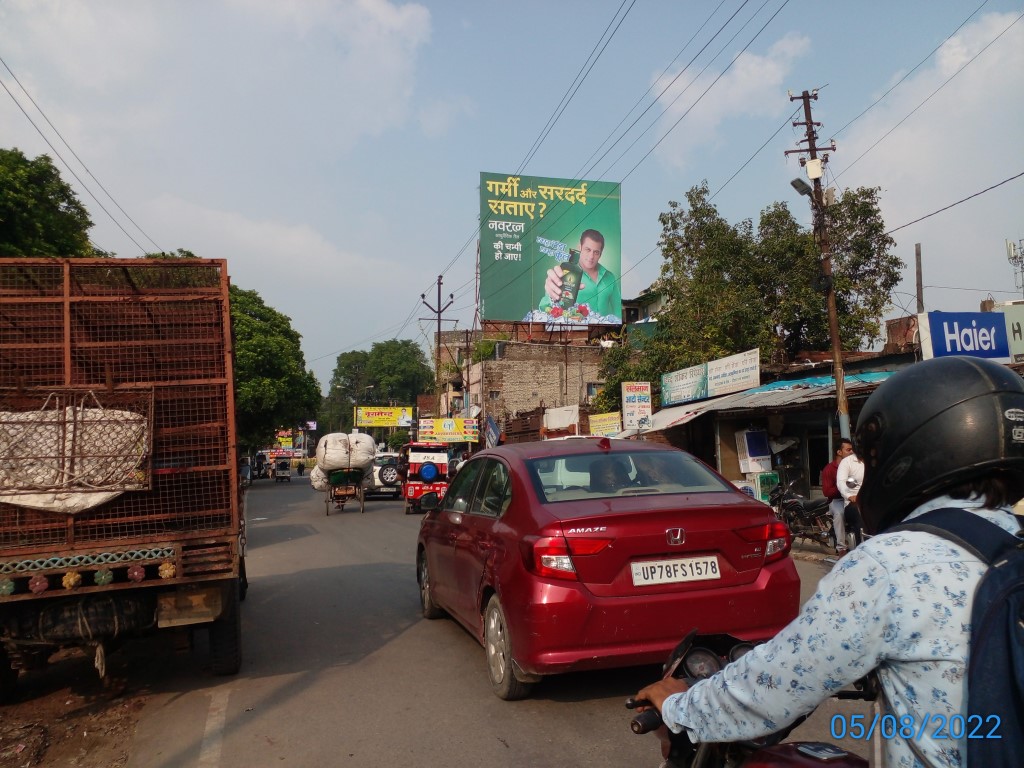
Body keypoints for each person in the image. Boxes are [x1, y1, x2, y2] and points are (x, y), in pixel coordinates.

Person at [634, 356, 1024, 768]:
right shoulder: (1011, 541)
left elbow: (774, 687)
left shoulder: (892, 565)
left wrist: (681, 707)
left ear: (910, 454)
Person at [538, 229, 621, 320]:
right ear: (579, 248)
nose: (591, 256)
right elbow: (544, 308)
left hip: (603, 332)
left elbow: (618, 311)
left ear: (600, 254)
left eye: (596, 252)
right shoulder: (564, 273)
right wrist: (552, 297)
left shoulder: (610, 277)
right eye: (587, 250)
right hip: (573, 331)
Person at [820, 438, 854, 554]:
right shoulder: (829, 469)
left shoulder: (854, 466)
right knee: (839, 513)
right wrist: (842, 486)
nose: (851, 452)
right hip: (837, 500)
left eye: (852, 450)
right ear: (839, 452)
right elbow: (827, 492)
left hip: (854, 498)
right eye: (848, 450)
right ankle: (841, 548)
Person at [837, 446, 865, 549]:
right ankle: (860, 549)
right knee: (860, 518)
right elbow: (841, 482)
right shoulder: (847, 462)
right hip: (853, 503)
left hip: (871, 501)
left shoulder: (875, 462)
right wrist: (850, 496)